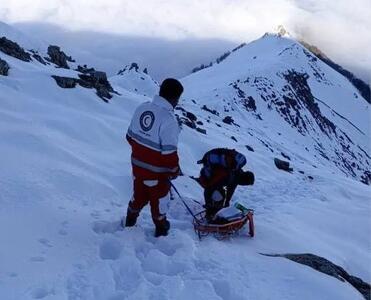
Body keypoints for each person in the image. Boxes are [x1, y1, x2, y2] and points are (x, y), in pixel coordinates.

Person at [123, 78, 183, 237]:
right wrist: (175, 170)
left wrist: (141, 154)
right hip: (158, 175)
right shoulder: (169, 120)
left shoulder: (141, 108)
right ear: (175, 98)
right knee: (160, 202)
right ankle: (161, 228)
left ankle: (129, 221)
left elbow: (129, 137)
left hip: (137, 168)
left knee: (138, 196)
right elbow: (169, 154)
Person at [194, 148, 255, 221]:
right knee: (217, 194)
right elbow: (210, 186)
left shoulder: (236, 172)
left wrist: (226, 203)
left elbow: (229, 191)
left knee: (218, 195)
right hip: (211, 180)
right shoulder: (230, 174)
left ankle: (213, 213)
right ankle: (211, 215)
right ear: (244, 181)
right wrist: (215, 205)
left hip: (211, 174)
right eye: (245, 184)